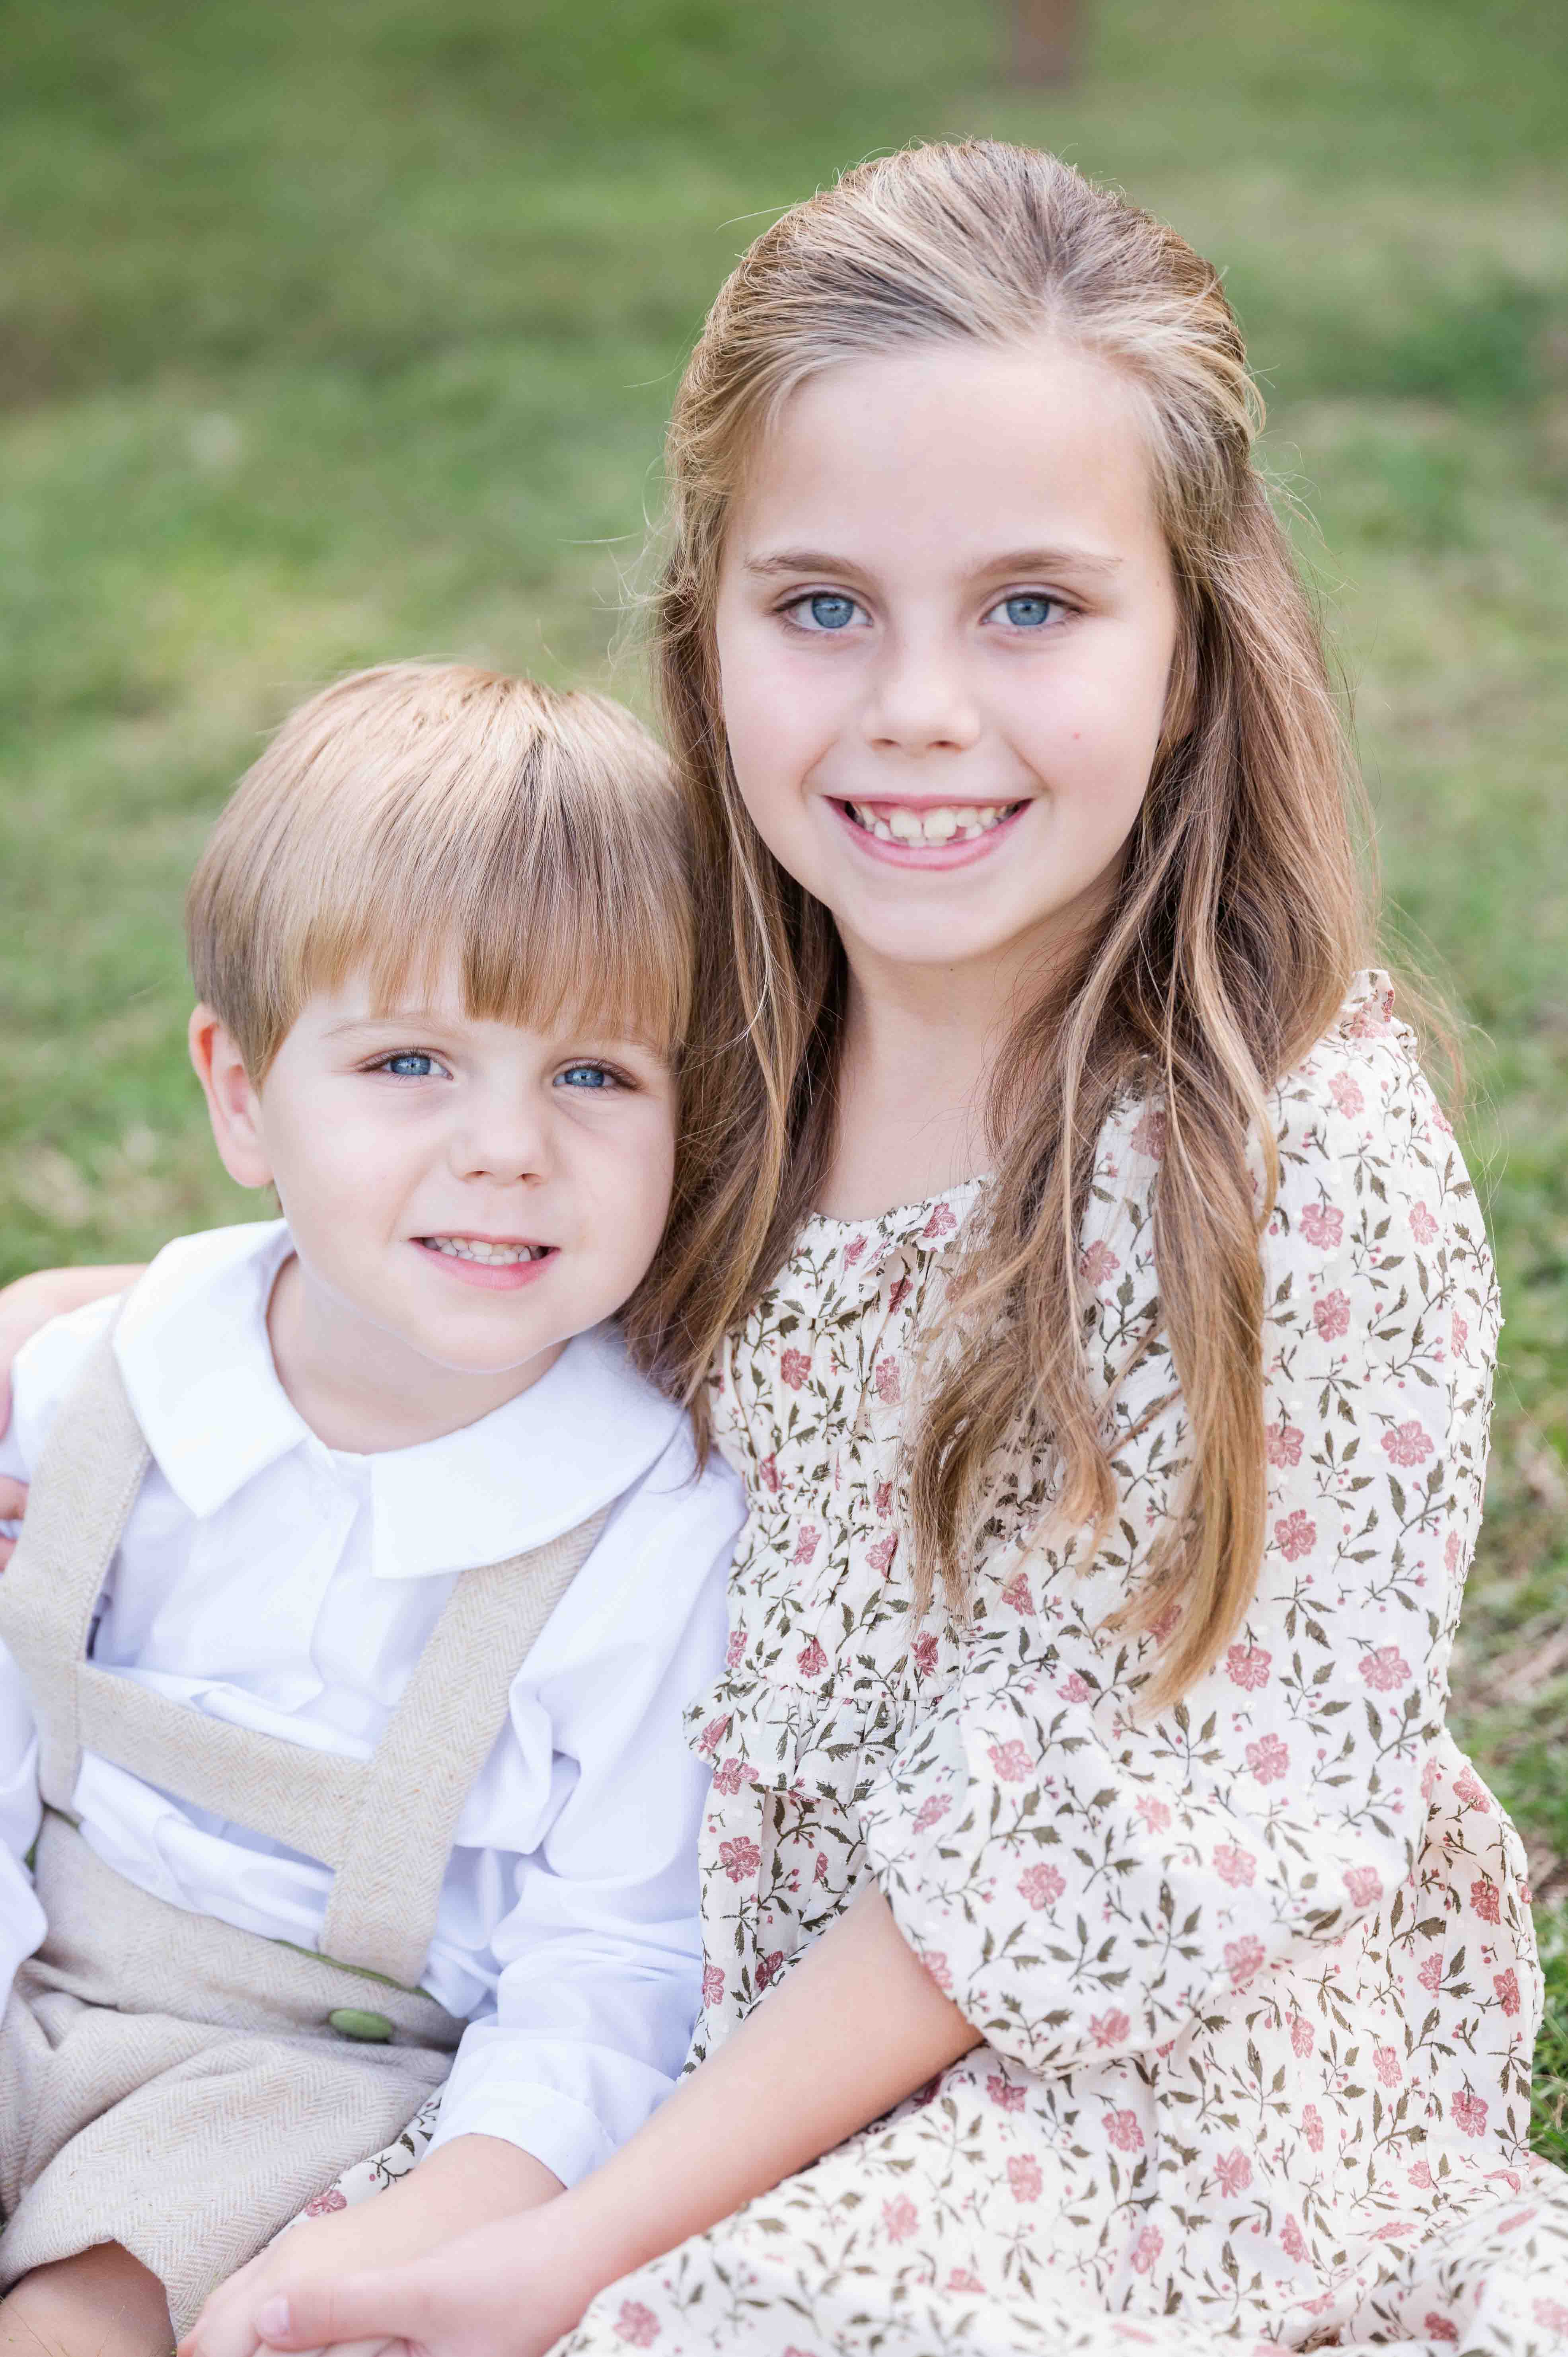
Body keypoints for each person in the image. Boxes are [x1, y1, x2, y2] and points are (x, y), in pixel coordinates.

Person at [5, 143, 1566, 2357]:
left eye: (1031, 606)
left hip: (1108, 2075)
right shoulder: (699, 1035)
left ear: (1196, 648)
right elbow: (437, 1217)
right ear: (704, 627)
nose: (916, 707)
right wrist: (103, 1330)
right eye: (821, 607)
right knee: (234, 2293)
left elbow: (1119, 1838)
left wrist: (580, 2243)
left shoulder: (1277, 1148)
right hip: (641, 1976)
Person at [0, 663, 746, 2357]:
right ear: (246, 1096)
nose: (505, 1145)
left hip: (309, 2074)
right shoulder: (103, 1388)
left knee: (77, 2319)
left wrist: (447, 2212)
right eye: (412, 1059)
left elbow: (609, 1959)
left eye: (595, 1075)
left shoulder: (639, 1524)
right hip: (35, 1948)